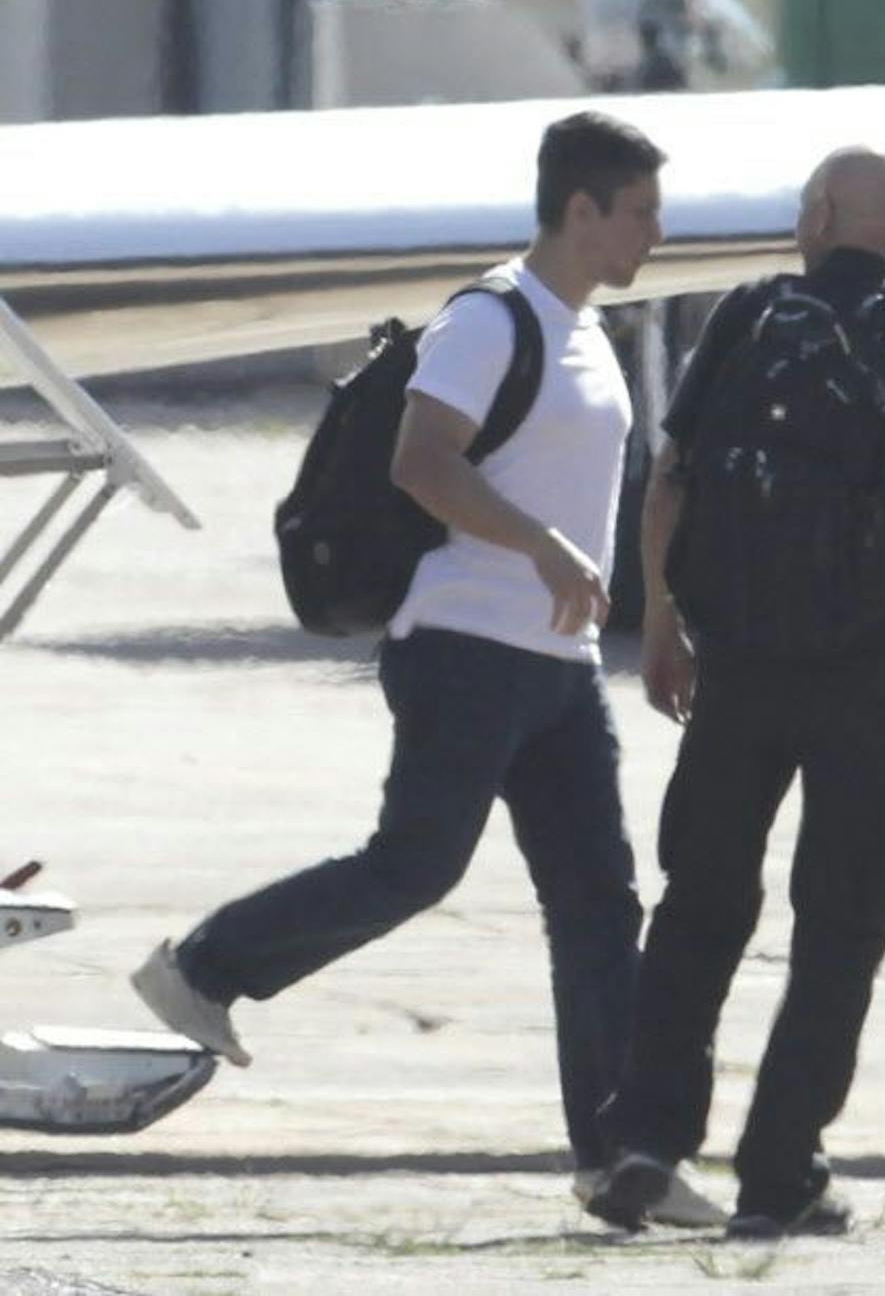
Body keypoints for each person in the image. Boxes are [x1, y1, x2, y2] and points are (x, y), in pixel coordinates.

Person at [131, 110, 720, 1227]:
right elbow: (419, 462)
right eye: (640, 210)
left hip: (556, 664)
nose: (656, 230)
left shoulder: (591, 332)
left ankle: (622, 1159)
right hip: (463, 647)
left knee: (599, 902)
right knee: (415, 865)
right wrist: (541, 547)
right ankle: (206, 965)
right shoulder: (491, 321)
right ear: (581, 209)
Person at [585, 147, 885, 1238]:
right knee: (846, 913)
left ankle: (646, 1136)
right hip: (873, 665)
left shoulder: (748, 313)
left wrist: (667, 623)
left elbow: (671, 477)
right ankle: (782, 1166)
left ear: (819, 215)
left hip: (744, 660)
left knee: (703, 898)